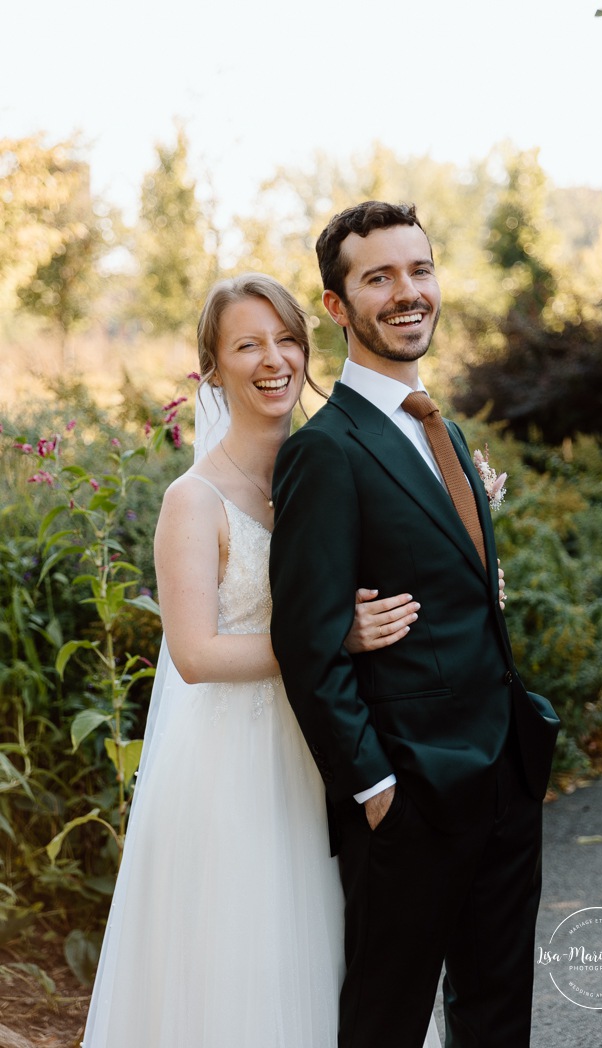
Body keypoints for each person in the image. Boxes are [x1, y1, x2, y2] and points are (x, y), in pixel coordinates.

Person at [81, 273, 441, 1048]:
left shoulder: (336, 462)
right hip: (236, 763)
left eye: (286, 339)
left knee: (347, 961)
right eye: (247, 345)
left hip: (335, 744)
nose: (273, 359)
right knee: (251, 965)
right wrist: (327, 640)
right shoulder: (194, 500)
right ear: (211, 369)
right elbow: (196, 652)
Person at [269, 202, 561, 1048]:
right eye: (379, 277)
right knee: (386, 1024)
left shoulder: (444, 428)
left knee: (499, 1012)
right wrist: (374, 791)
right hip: (409, 796)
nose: (408, 293)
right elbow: (307, 646)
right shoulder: (326, 451)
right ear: (337, 306)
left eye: (419, 270)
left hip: (504, 772)